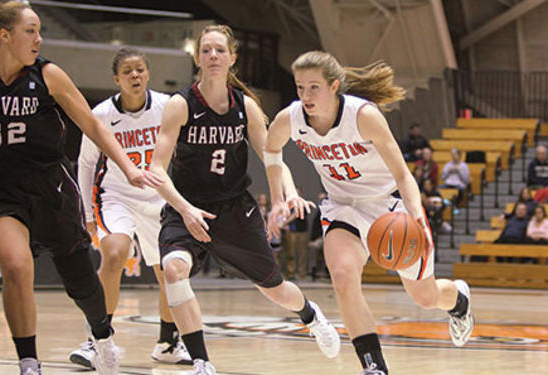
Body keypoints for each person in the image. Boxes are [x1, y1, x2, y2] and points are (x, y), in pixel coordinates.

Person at [0, 1, 162, 374]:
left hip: (49, 187)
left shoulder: (48, 75)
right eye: (31, 31)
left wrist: (126, 166)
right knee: (16, 265)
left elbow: (94, 127)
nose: (39, 38)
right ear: (5, 35)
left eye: (40, 30)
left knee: (80, 280)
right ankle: (29, 362)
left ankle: (103, 336)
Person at [264, 51, 474, 375]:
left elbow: (404, 174)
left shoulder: (363, 116)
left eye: (314, 87)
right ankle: (374, 367)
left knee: (425, 296)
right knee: (343, 278)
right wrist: (282, 195)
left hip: (388, 205)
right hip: (341, 207)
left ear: (334, 86)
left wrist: (416, 213)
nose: (305, 96)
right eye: (300, 87)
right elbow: (271, 149)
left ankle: (459, 301)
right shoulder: (290, 119)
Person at [149, 25, 339, 375]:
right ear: (197, 57)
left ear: (233, 57)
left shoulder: (245, 107)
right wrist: (185, 209)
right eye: (206, 50)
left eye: (220, 50)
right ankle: (202, 361)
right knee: (175, 269)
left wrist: (287, 196)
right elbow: (157, 169)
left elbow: (273, 155)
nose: (213, 57)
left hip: (234, 209)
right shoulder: (181, 105)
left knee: (276, 290)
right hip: (187, 207)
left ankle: (312, 317)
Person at [70, 47, 191, 369]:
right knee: (113, 255)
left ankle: (167, 342)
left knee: (169, 270)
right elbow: (85, 164)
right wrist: (88, 215)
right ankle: (97, 339)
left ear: (148, 73)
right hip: (116, 196)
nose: (135, 75)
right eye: (128, 72)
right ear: (116, 79)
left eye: (140, 70)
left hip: (160, 198)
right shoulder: (101, 114)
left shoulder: (168, 106)